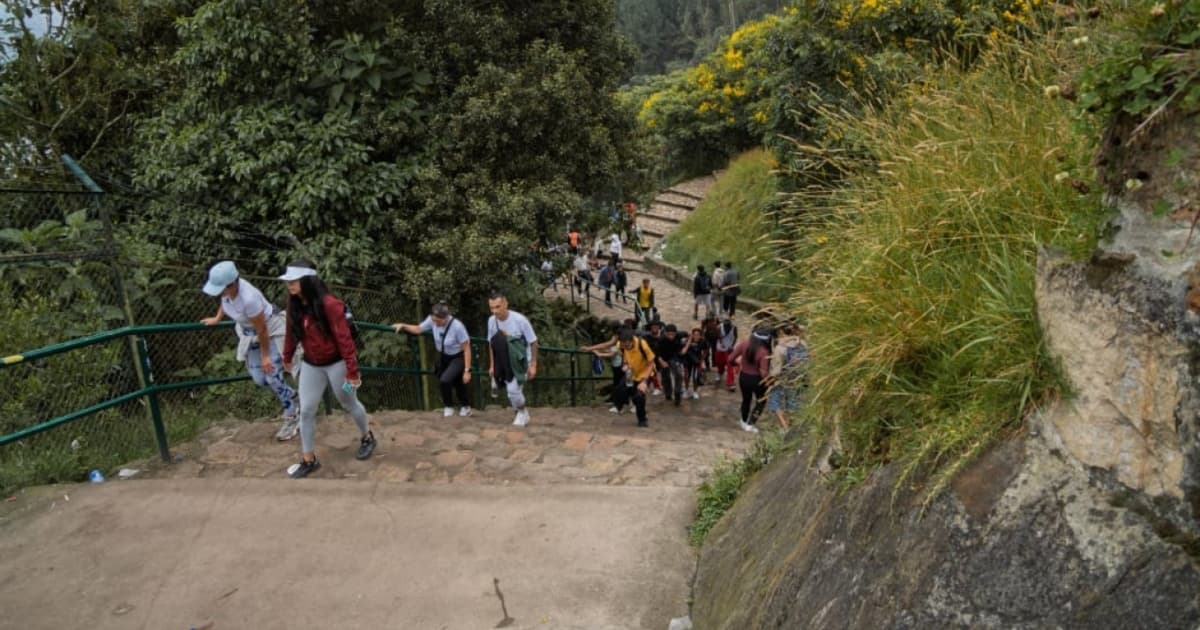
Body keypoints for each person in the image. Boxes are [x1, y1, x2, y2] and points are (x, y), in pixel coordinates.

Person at [280, 260, 375, 478]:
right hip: (311, 364)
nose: (290, 285)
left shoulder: (330, 304)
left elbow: (345, 339)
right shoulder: (293, 304)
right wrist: (287, 357)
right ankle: (308, 459)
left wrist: (352, 371)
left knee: (348, 402)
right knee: (306, 410)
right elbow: (290, 332)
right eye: (288, 281)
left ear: (307, 281)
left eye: (294, 281)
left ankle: (367, 436)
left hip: (337, 364)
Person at [200, 261, 301, 441]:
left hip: (269, 333)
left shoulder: (249, 298)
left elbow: (262, 330)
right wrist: (217, 318)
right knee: (260, 379)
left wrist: (266, 356)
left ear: (232, 284)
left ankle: (291, 415)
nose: (220, 293)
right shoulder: (228, 291)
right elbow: (225, 301)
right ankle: (294, 396)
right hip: (250, 334)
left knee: (271, 375)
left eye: (221, 289)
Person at [392, 303, 473, 418]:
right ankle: (465, 406)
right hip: (444, 356)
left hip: (458, 357)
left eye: (438, 321)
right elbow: (419, 329)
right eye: (433, 320)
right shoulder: (432, 320)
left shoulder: (457, 327)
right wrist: (403, 325)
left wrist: (467, 370)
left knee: (446, 379)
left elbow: (466, 348)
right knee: (457, 382)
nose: (435, 323)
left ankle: (449, 406)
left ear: (445, 318)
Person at [486, 292, 539, 426]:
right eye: (492, 308)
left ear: (505, 304)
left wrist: (533, 364)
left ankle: (522, 413)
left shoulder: (520, 320)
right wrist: (492, 365)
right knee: (511, 392)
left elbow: (533, 342)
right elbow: (491, 344)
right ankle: (521, 412)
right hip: (503, 360)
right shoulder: (491, 321)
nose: (495, 311)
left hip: (520, 360)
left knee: (513, 390)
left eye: (497, 307)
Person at [731, 328, 773, 433]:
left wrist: (738, 364)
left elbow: (730, 359)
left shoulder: (744, 344)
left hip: (744, 377)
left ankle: (743, 421)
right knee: (761, 401)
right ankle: (751, 423)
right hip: (757, 380)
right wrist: (769, 382)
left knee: (746, 400)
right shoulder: (764, 351)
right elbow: (763, 372)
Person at [768, 322, 809, 429]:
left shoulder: (780, 348)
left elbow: (776, 371)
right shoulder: (803, 344)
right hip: (797, 379)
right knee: (792, 403)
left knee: (775, 402)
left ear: (782, 333)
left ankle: (785, 427)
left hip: (783, 379)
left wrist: (771, 378)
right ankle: (791, 426)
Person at [581, 319, 627, 413]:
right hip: (625, 361)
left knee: (621, 384)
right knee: (621, 383)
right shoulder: (623, 335)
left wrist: (590, 348)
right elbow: (610, 347)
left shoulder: (620, 336)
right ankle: (620, 402)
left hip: (625, 362)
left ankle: (619, 405)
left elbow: (608, 345)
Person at [615, 327, 656, 428]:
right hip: (631, 372)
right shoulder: (620, 345)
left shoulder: (642, 345)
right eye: (624, 345)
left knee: (639, 396)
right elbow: (624, 357)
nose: (626, 347)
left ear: (632, 340)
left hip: (645, 373)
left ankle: (642, 420)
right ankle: (621, 405)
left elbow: (651, 364)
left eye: (628, 345)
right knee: (620, 389)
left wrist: (645, 382)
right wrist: (625, 365)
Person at [653, 323, 686, 406]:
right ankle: (668, 394)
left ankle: (677, 393)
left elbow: (689, 335)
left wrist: (686, 346)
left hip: (674, 357)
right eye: (669, 334)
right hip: (663, 358)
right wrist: (661, 362)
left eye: (673, 334)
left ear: (676, 333)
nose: (671, 336)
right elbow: (656, 353)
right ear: (665, 333)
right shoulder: (661, 340)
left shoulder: (679, 335)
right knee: (665, 376)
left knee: (679, 374)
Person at [683, 327, 708, 399]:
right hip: (687, 361)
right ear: (692, 335)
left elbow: (706, 351)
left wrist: (702, 360)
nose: (696, 336)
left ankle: (695, 392)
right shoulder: (687, 341)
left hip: (697, 361)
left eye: (698, 335)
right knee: (686, 376)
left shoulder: (703, 341)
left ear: (700, 336)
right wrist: (689, 341)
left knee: (695, 377)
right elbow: (683, 350)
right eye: (694, 334)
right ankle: (686, 390)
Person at [714, 317, 738, 391]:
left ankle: (730, 383)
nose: (727, 327)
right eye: (725, 325)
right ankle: (720, 372)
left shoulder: (734, 328)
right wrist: (721, 343)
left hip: (729, 350)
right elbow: (718, 336)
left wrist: (732, 345)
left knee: (730, 366)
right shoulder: (718, 327)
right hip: (720, 348)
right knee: (719, 363)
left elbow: (735, 337)